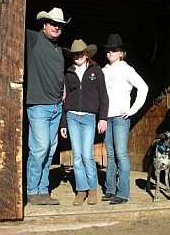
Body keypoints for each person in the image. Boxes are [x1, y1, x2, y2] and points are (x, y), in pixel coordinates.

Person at [25, 7, 71, 205]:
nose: (56, 27)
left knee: (50, 150)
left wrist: (63, 88)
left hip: (55, 107)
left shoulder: (59, 50)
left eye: (59, 25)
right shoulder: (34, 39)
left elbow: (58, 74)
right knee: (39, 148)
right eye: (53, 23)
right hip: (38, 106)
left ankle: (43, 190)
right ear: (44, 25)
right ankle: (31, 190)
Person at [59, 39, 109, 206]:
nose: (78, 56)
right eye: (75, 54)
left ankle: (92, 188)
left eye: (81, 53)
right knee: (77, 156)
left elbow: (104, 96)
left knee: (87, 155)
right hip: (72, 117)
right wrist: (63, 123)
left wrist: (102, 118)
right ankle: (81, 190)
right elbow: (64, 100)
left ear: (87, 54)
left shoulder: (96, 72)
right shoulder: (69, 73)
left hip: (89, 118)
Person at [101, 34, 149, 204]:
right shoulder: (104, 71)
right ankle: (110, 189)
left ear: (121, 53)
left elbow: (143, 87)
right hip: (107, 117)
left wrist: (132, 110)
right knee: (111, 154)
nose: (110, 52)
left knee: (121, 154)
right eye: (108, 49)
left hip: (121, 117)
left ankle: (123, 192)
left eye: (114, 50)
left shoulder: (126, 69)